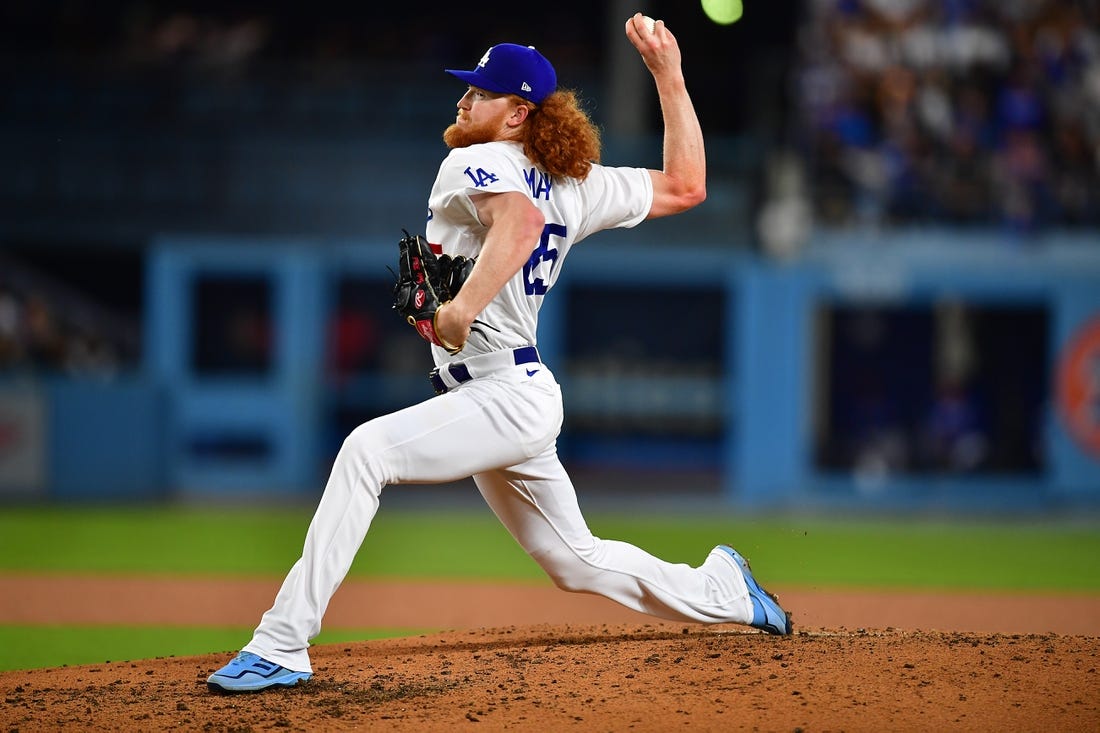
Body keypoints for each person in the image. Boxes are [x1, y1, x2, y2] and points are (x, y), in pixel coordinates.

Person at [207, 12, 791, 694]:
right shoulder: (576, 182)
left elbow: (521, 223)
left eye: (480, 92)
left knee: (366, 451)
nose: (463, 99)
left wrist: (460, 308)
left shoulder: (474, 161)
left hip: (502, 390)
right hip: (510, 393)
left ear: (517, 113)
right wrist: (670, 77)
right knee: (575, 561)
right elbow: (686, 184)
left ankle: (281, 642)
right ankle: (725, 588)